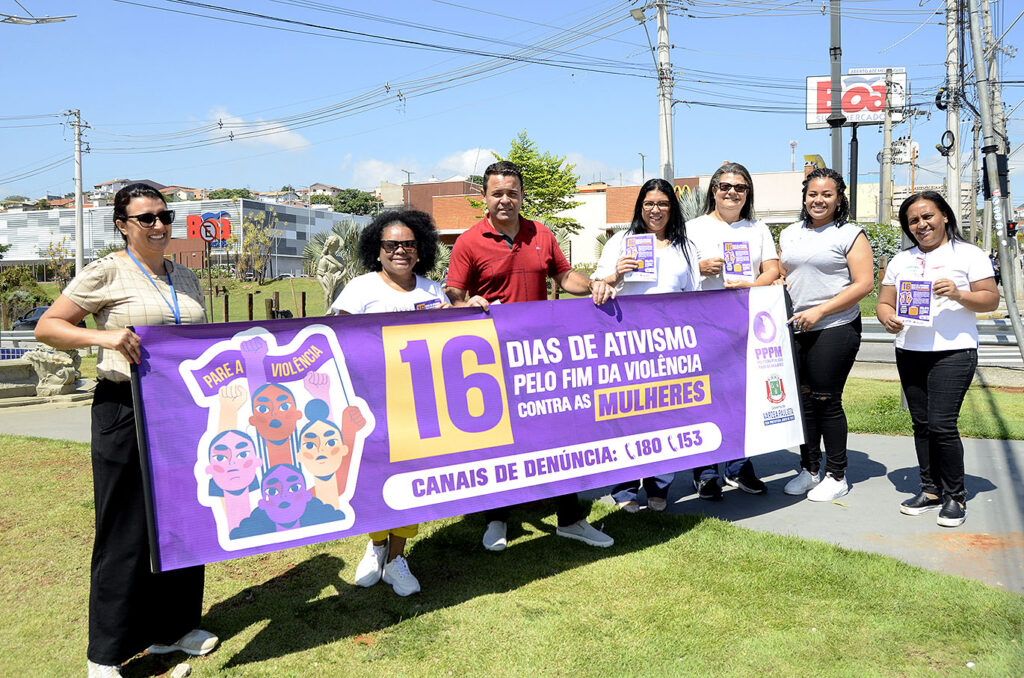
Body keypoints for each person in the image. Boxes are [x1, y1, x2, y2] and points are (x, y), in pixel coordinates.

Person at [34, 183, 217, 678]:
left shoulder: (185, 276)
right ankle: (106, 654)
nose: (159, 226)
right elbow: (48, 327)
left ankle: (173, 630)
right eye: (147, 219)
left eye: (165, 215)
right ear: (123, 225)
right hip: (124, 408)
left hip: (182, 413)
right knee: (125, 531)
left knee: (184, 522)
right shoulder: (107, 271)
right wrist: (106, 335)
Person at [445, 160, 616, 551]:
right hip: (490, 358)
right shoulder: (469, 241)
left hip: (541, 356)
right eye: (497, 193)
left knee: (558, 435)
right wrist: (466, 301)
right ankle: (497, 519)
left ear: (522, 195)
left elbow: (564, 277)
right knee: (499, 440)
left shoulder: (542, 234)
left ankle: (571, 519)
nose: (505, 199)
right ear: (485, 198)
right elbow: (454, 295)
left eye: (512, 192)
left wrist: (593, 285)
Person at [331, 209, 452, 596]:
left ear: (421, 249)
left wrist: (472, 309)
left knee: (411, 480)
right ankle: (375, 546)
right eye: (391, 244)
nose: (401, 250)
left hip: (420, 406)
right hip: (370, 405)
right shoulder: (360, 288)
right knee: (372, 478)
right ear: (377, 250)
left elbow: (453, 334)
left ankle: (398, 556)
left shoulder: (433, 291)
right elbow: (333, 336)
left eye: (409, 244)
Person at [876, 192, 998, 527]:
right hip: (910, 350)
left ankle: (955, 497)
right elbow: (884, 303)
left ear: (944, 215)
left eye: (927, 216)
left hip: (953, 350)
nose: (921, 225)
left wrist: (959, 294)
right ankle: (930, 490)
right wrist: (888, 318)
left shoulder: (968, 254)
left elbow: (990, 300)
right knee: (921, 424)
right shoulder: (902, 261)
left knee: (942, 425)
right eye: (913, 220)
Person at [592, 177, 699, 511]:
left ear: (672, 208)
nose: (656, 210)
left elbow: (694, 298)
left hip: (670, 347)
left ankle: (659, 486)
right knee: (626, 416)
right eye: (650, 203)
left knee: (664, 418)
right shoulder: (621, 242)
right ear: (641, 206)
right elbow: (595, 286)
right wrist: (616, 275)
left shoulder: (686, 247)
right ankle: (624, 489)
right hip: (626, 345)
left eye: (663, 204)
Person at [777, 168, 874, 502]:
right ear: (805, 196)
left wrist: (820, 310)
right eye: (813, 194)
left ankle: (837, 474)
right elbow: (785, 270)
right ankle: (809, 468)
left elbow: (864, 284)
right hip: (795, 328)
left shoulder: (849, 233)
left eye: (827, 195)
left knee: (826, 400)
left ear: (839, 198)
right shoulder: (790, 233)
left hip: (835, 327)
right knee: (803, 403)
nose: (819, 200)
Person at [687, 162, 779, 500]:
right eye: (725, 186)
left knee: (742, 398)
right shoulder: (692, 227)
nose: (732, 192)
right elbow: (674, 270)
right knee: (704, 398)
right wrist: (699, 267)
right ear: (714, 191)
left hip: (745, 321)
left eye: (740, 187)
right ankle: (706, 473)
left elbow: (773, 270)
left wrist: (753, 284)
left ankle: (739, 467)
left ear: (747, 193)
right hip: (703, 322)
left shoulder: (758, 229)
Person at [316, 234, 346, 313]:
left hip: (339, 284)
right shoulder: (324, 260)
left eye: (336, 245)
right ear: (329, 246)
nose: (336, 247)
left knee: (340, 304)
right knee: (330, 304)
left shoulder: (339, 259)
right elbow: (319, 275)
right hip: (329, 284)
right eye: (334, 245)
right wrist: (325, 289)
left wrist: (340, 278)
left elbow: (345, 270)